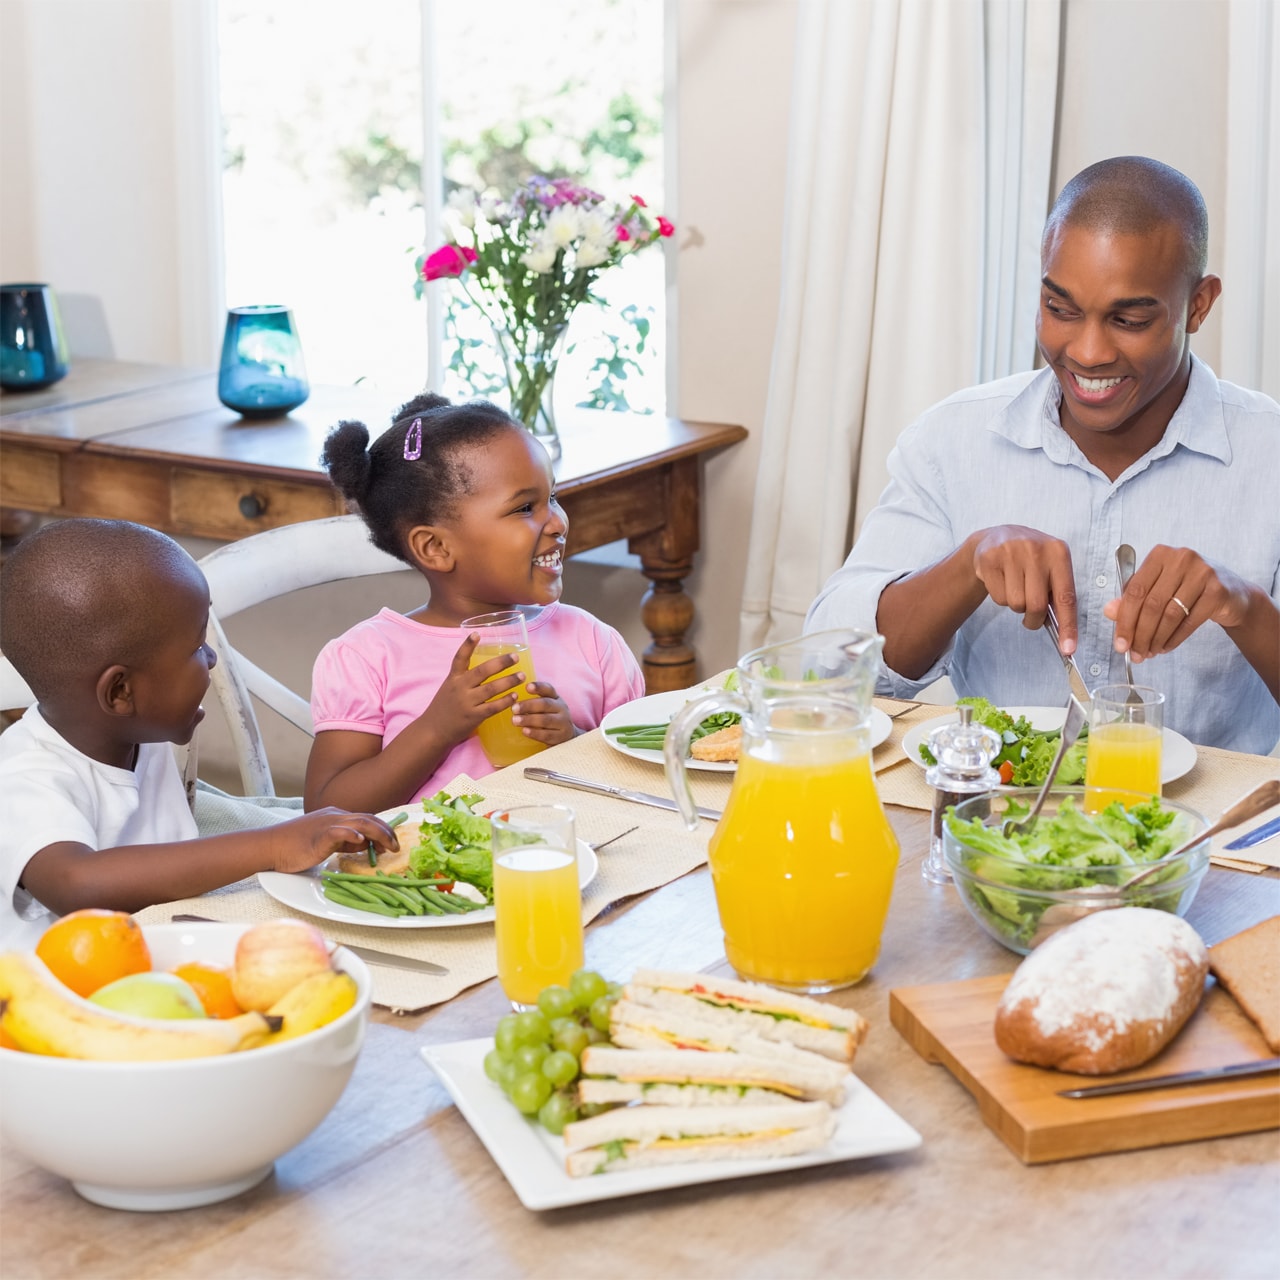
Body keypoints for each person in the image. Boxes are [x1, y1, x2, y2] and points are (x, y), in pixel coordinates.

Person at [807, 156, 1279, 753]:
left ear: (1198, 305)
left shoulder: (1269, 455)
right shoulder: (954, 440)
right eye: (1060, 310)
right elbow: (827, 669)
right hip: (998, 828)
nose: (1087, 351)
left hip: (1209, 835)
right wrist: (967, 563)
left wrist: (1246, 608)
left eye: (1128, 319)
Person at [0, 518, 397, 949]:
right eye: (196, 647)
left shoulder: (137, 737)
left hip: (156, 956)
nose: (211, 659)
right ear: (121, 692)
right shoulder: (24, 779)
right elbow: (77, 885)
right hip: (55, 992)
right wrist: (274, 844)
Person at [304, 393, 646, 812]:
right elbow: (326, 810)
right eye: (525, 507)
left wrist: (572, 741)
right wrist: (437, 728)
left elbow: (639, 781)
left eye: (551, 498)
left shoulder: (593, 643)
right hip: (432, 874)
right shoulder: (367, 658)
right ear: (434, 547)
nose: (557, 522)